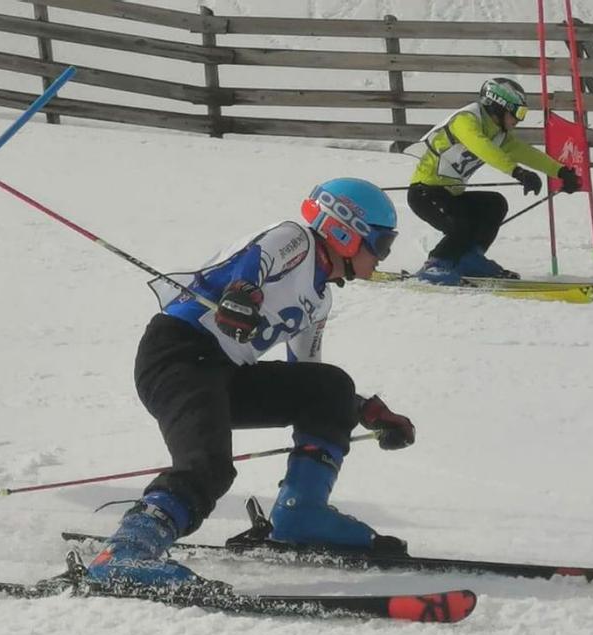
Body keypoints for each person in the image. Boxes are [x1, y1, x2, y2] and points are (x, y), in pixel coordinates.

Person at [86, 177, 417, 588]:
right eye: (381, 245)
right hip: (178, 356)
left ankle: (301, 515)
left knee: (329, 386)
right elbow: (258, 260)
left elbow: (306, 374)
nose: (382, 258)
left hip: (226, 372)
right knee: (209, 467)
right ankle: (125, 553)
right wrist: (242, 293)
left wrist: (363, 409)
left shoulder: (319, 300)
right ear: (345, 230)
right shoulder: (295, 240)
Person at [408, 77, 582, 285]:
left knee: (495, 204)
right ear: (499, 107)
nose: (519, 120)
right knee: (464, 224)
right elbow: (481, 146)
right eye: (518, 113)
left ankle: (470, 258)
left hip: (450, 195)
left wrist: (561, 172)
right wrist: (517, 172)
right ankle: (436, 264)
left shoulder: (499, 134)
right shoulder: (466, 121)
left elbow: (526, 152)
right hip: (424, 193)